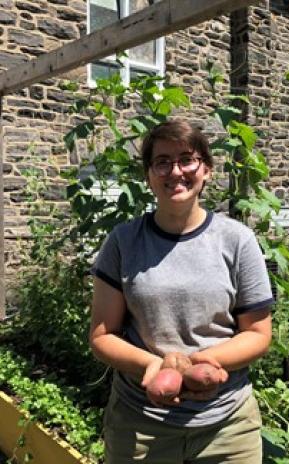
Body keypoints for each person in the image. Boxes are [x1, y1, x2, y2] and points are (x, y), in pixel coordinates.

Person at [89, 119, 273, 464]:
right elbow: (102, 335)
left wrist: (204, 362)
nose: (175, 171)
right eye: (162, 162)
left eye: (187, 159)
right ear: (149, 175)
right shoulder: (123, 242)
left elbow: (259, 333)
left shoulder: (237, 241)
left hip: (228, 426)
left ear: (206, 170)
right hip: (140, 426)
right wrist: (154, 366)